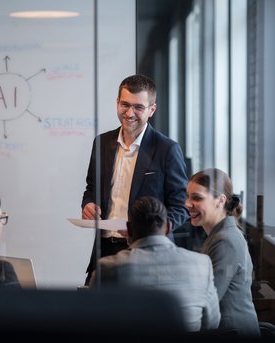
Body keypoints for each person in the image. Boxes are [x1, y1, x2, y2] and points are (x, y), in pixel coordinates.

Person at [82, 74, 189, 285]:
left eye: (138, 107)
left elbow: (181, 206)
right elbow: (92, 187)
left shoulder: (167, 149)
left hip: (148, 252)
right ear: (117, 103)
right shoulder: (102, 142)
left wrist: (156, 230)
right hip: (105, 249)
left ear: (152, 110)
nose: (129, 113)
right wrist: (88, 204)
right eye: (125, 105)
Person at [89, 196, 221, 333]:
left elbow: (92, 323)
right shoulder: (202, 264)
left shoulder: (107, 268)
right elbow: (211, 324)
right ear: (169, 227)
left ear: (128, 229)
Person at [185, 168, 261, 337]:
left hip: (231, 333)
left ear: (220, 200)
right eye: (187, 196)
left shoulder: (225, 241)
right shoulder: (219, 235)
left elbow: (207, 301)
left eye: (196, 197)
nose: (187, 203)